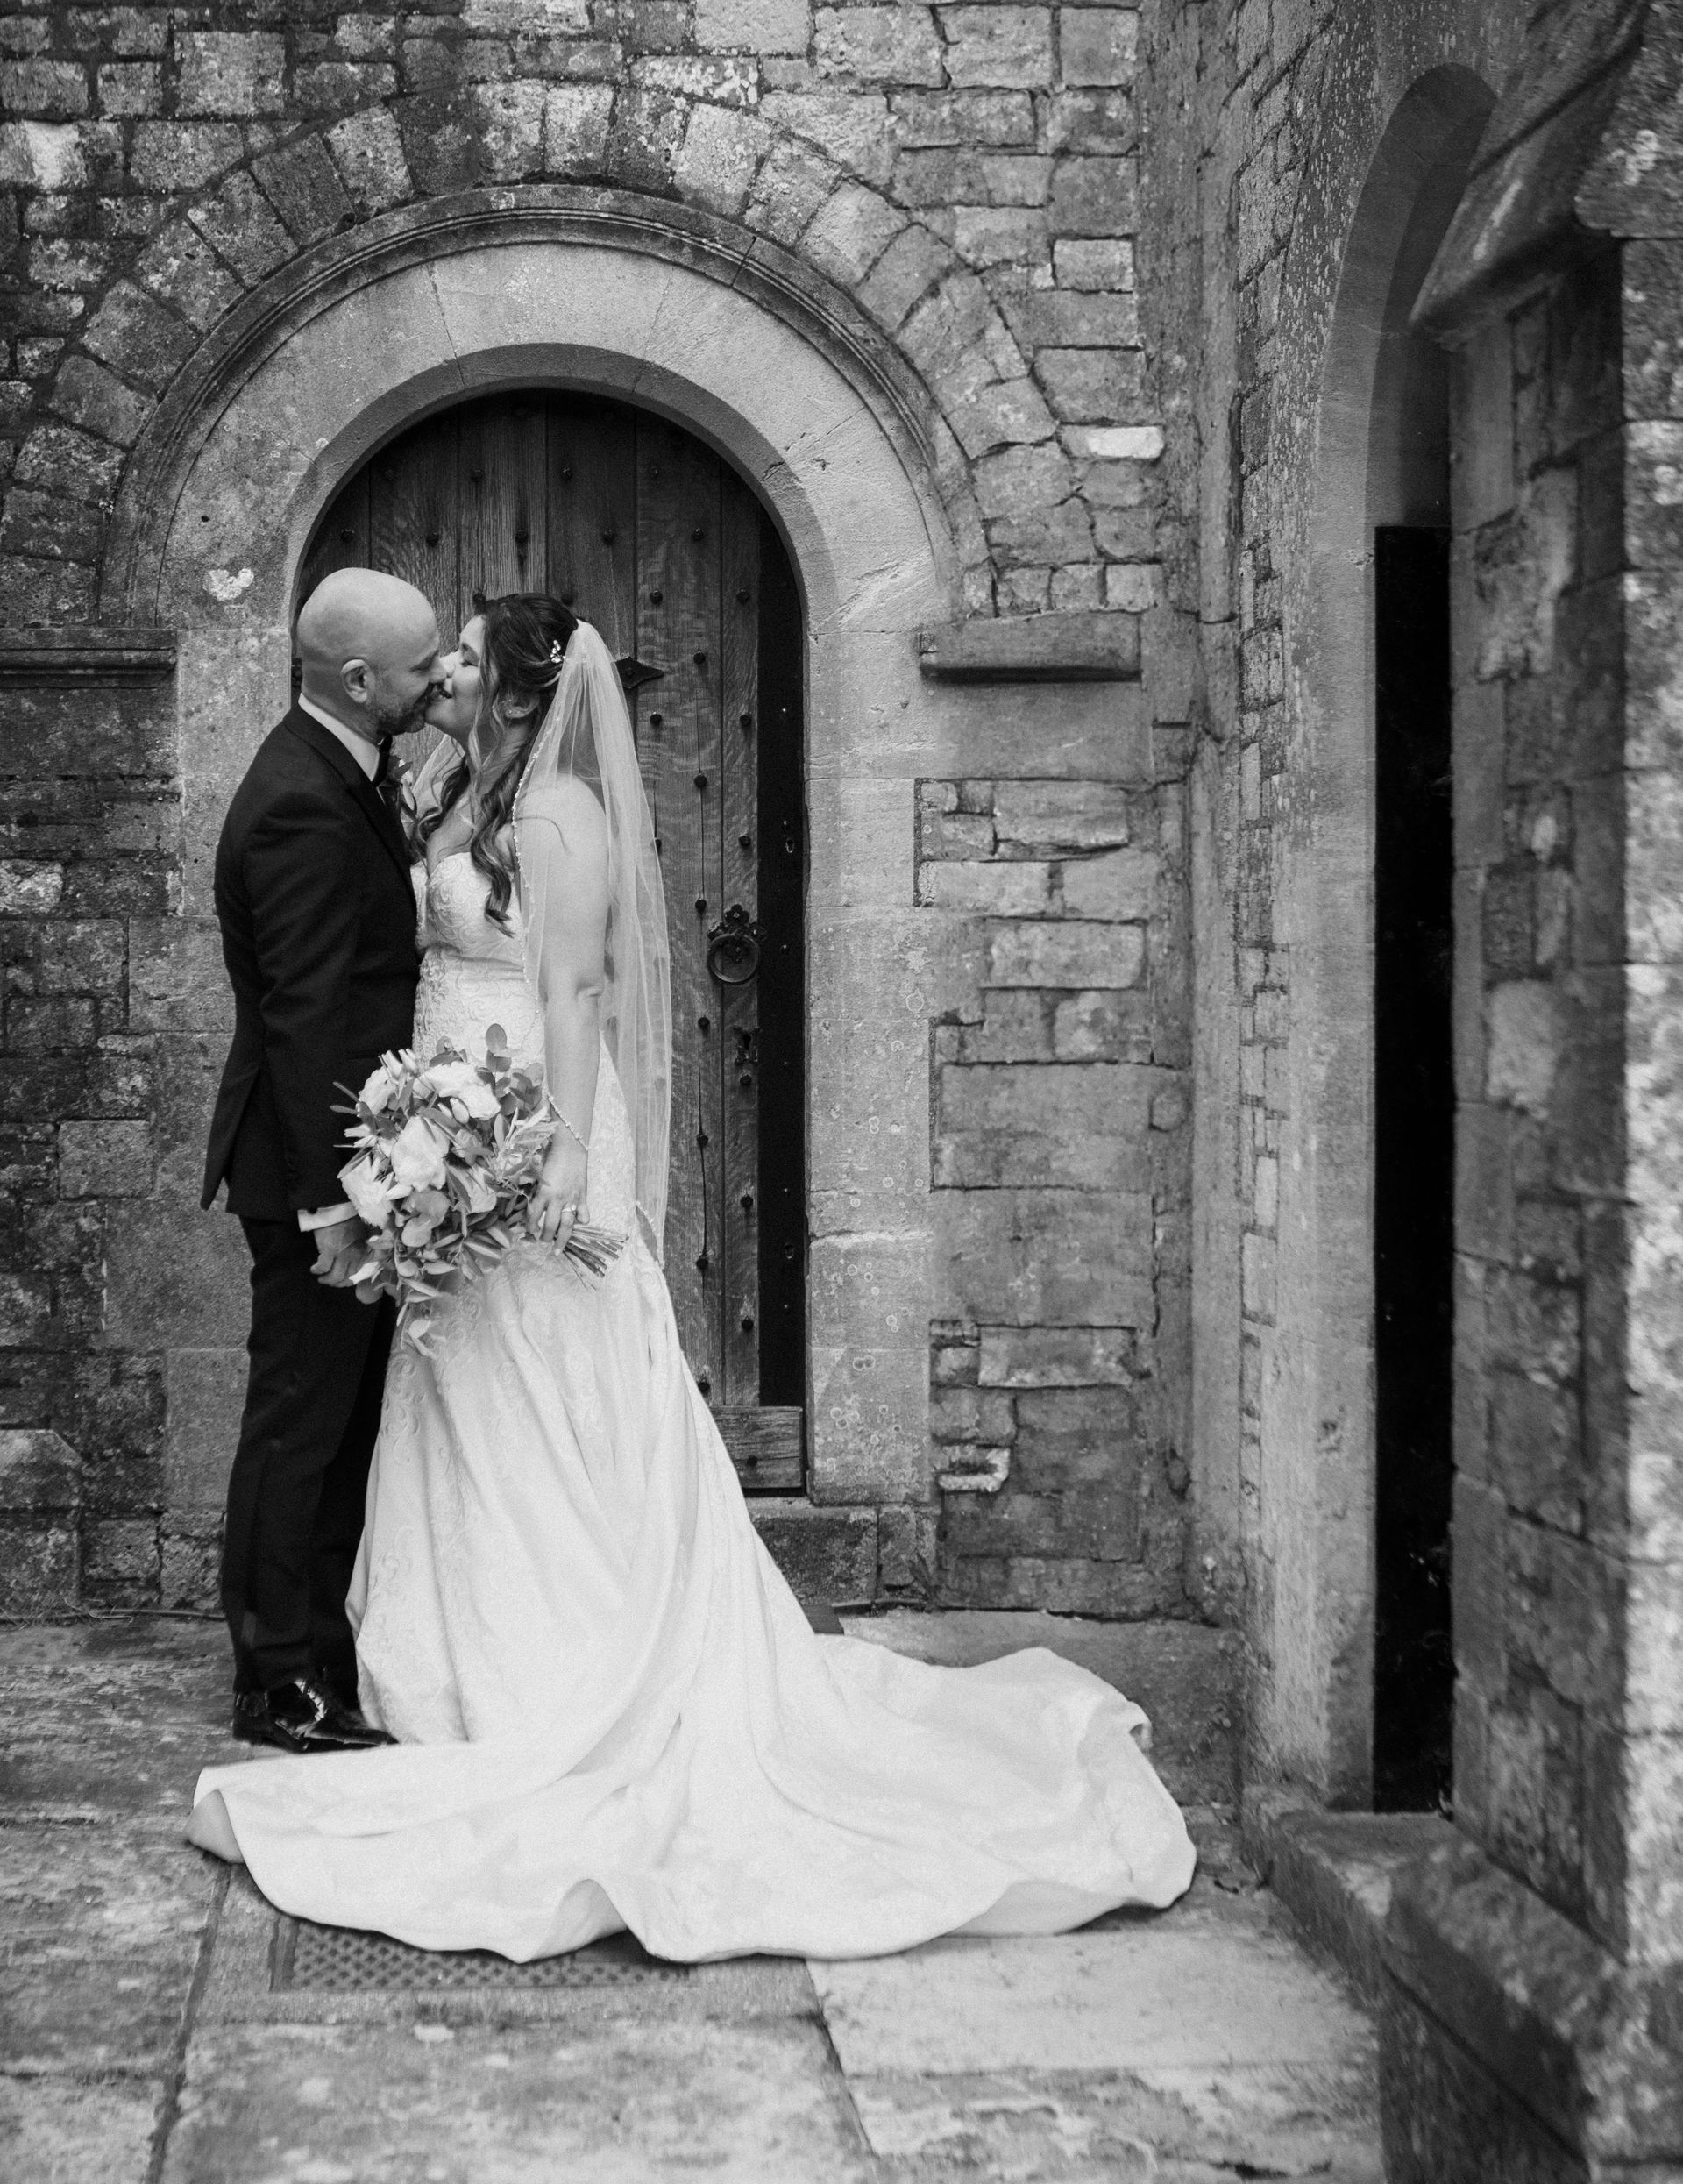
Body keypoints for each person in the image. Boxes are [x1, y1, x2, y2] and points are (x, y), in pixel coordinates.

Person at [188, 596, 1197, 1960]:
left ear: (525, 692)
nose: (447, 676)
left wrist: (548, 1155)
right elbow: (335, 987)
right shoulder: (432, 791)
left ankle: (541, 1660)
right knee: (408, 1405)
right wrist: (399, 1156)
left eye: (469, 658)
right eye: (436, 657)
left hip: (514, 1137)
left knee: (526, 1393)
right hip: (427, 1138)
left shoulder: (555, 819)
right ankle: (376, 1666)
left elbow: (579, 998)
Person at [202, 568, 449, 1756]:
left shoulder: (345, 771)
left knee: (335, 1420)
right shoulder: (301, 799)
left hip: (355, 1165)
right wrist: (327, 1207)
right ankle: (277, 1680)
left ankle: (321, 1650)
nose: (435, 678)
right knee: (298, 1423)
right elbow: (303, 1020)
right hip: (314, 1175)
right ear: (359, 681)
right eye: (418, 666)